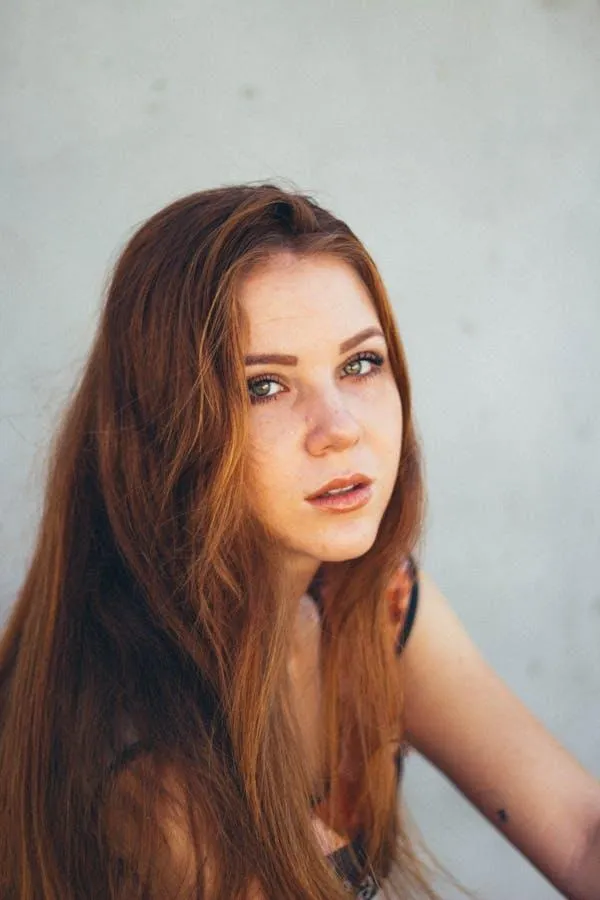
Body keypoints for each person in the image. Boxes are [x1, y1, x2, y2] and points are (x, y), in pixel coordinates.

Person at [0, 184, 598, 900]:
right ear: (168, 426)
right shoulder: (145, 748)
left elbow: (579, 829)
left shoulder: (366, 596)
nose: (340, 426)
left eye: (360, 364)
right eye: (264, 386)